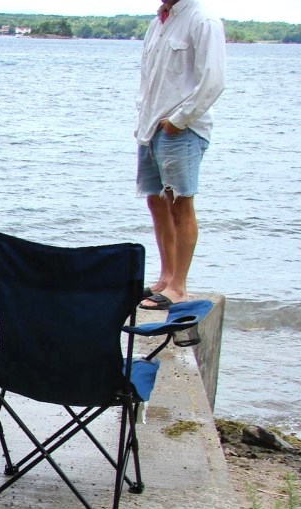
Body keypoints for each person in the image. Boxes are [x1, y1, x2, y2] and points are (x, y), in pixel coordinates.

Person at [136, 0, 225, 311]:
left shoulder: (202, 19)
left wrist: (178, 121)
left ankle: (178, 287)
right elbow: (151, 80)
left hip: (181, 128)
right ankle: (165, 278)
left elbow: (213, 80)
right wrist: (145, 121)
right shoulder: (158, 22)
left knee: (180, 204)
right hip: (151, 127)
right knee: (156, 201)